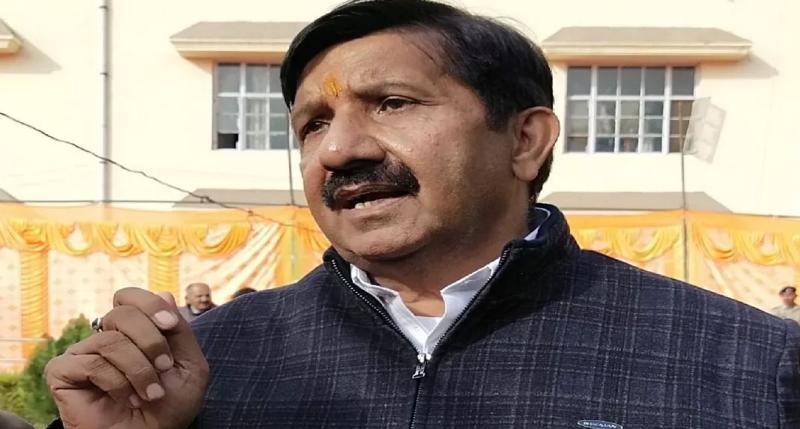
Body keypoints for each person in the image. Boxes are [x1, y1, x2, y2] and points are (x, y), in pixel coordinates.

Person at [44, 1, 799, 428]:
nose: (338, 150)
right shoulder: (204, 367)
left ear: (525, 140)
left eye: (393, 103)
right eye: (312, 124)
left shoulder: (750, 367)